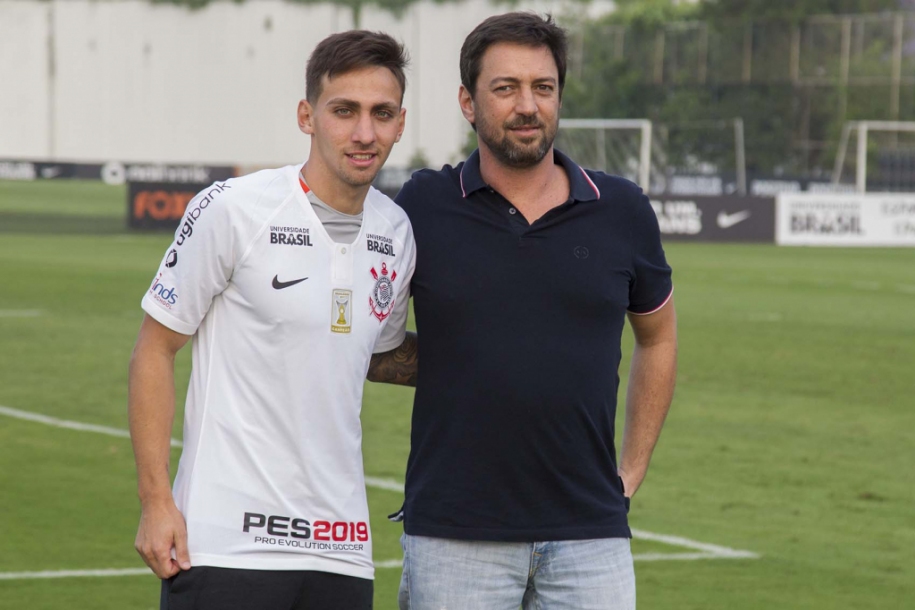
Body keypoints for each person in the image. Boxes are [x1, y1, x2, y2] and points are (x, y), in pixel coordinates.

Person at [379, 12, 678, 610]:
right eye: (506, 88)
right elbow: (368, 341)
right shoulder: (422, 205)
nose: (527, 105)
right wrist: (466, 363)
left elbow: (658, 338)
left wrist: (631, 472)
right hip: (454, 534)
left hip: (591, 536)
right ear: (468, 102)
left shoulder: (622, 209)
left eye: (543, 87)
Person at [128, 30, 417, 610]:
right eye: (345, 111)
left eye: (381, 114)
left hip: (341, 550)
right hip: (226, 546)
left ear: (400, 123)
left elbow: (377, 356)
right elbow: (155, 350)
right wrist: (156, 501)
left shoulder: (397, 231)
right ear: (307, 116)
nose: (365, 133)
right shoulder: (234, 208)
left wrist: (514, 356)